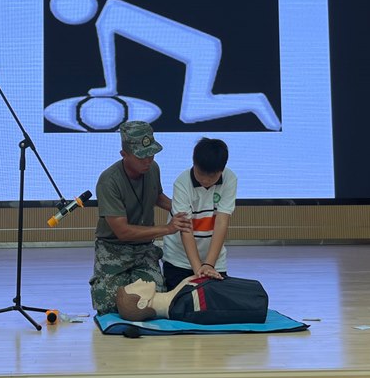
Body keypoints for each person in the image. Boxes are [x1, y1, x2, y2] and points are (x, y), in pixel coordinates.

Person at [90, 121, 193, 314]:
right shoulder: (109, 181)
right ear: (124, 154)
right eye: (141, 156)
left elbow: (156, 195)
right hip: (113, 249)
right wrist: (168, 229)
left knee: (154, 301)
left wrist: (180, 208)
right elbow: (122, 231)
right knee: (110, 306)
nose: (148, 160)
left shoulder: (152, 169)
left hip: (144, 249)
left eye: (151, 154)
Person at [160, 137, 237, 292]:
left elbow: (221, 222)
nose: (205, 180)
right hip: (179, 260)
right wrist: (198, 270)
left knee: (214, 300)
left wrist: (209, 265)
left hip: (214, 261)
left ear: (221, 170)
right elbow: (185, 228)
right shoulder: (182, 183)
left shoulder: (230, 179)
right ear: (193, 163)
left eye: (212, 176)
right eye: (201, 174)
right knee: (180, 301)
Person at [115, 275, 269, 325]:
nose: (139, 280)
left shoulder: (181, 297)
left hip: (254, 292)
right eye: (134, 286)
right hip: (256, 299)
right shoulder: (187, 306)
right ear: (142, 303)